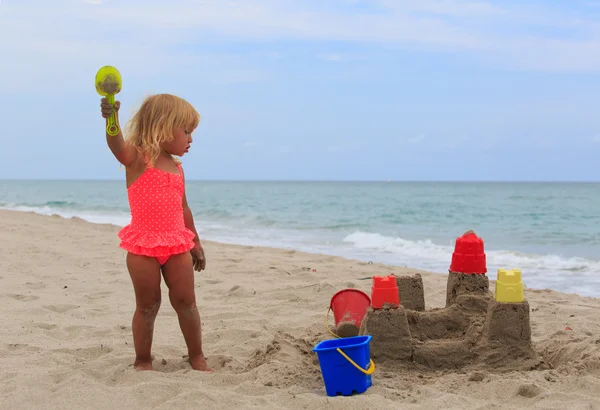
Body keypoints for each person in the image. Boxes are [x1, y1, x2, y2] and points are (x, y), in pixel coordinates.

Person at [100, 93, 212, 372]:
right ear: (163, 125)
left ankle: (197, 356)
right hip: (142, 249)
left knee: (187, 303)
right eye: (186, 130)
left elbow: (184, 207)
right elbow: (116, 145)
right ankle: (142, 360)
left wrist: (195, 241)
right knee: (147, 306)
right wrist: (111, 118)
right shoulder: (137, 157)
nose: (190, 139)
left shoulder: (177, 168)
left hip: (176, 246)